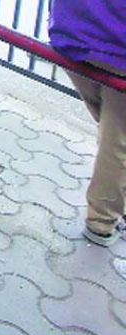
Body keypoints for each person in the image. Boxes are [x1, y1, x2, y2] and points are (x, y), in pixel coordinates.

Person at [49, 1, 126, 247]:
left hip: (73, 31)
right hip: (116, 45)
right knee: (118, 141)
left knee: (112, 131)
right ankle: (101, 222)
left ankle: (114, 199)